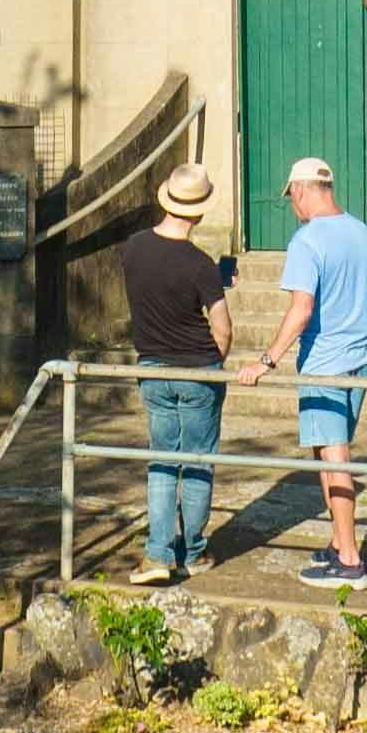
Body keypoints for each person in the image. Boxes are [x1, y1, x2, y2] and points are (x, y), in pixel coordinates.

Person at [238, 153, 367, 591]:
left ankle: (351, 561)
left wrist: (266, 360)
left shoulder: (307, 241)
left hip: (326, 365)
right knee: (326, 453)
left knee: (334, 457)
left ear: (300, 191)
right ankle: (340, 544)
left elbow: (301, 311)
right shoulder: (363, 233)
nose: (293, 206)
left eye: (291, 197)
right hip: (362, 359)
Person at [116, 165, 233, 583]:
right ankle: (194, 552)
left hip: (152, 367)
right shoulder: (201, 266)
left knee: (162, 460)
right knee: (197, 463)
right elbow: (222, 327)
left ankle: (157, 554)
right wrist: (214, 362)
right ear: (199, 213)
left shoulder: (132, 249)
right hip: (198, 370)